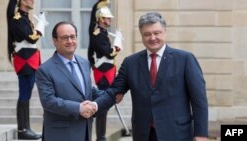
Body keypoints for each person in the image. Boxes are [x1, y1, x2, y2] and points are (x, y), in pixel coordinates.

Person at [98, 12, 209, 141]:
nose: (152, 38)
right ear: (141, 36)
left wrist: (201, 134)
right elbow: (113, 92)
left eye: (156, 33)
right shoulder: (131, 63)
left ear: (164, 32)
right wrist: (94, 106)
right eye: (147, 34)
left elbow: (199, 100)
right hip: (144, 134)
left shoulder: (185, 59)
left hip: (177, 134)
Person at [35, 21, 119, 141]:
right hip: (60, 135)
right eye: (65, 37)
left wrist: (113, 94)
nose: (70, 41)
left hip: (85, 132)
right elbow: (48, 101)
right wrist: (79, 108)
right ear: (55, 41)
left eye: (72, 37)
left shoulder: (84, 63)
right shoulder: (44, 69)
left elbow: (88, 91)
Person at [6, 0, 48, 139]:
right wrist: (41, 25)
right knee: (24, 94)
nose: (33, 1)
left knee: (26, 95)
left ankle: (26, 128)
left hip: (29, 61)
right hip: (25, 62)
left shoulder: (24, 18)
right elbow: (31, 38)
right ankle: (23, 130)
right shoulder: (17, 19)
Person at [88, 0, 123, 141]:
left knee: (105, 105)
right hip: (103, 73)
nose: (109, 20)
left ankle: (101, 136)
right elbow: (109, 53)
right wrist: (118, 44)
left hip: (107, 71)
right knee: (103, 104)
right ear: (101, 19)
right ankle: (100, 136)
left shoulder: (102, 32)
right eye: (107, 18)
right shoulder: (98, 34)